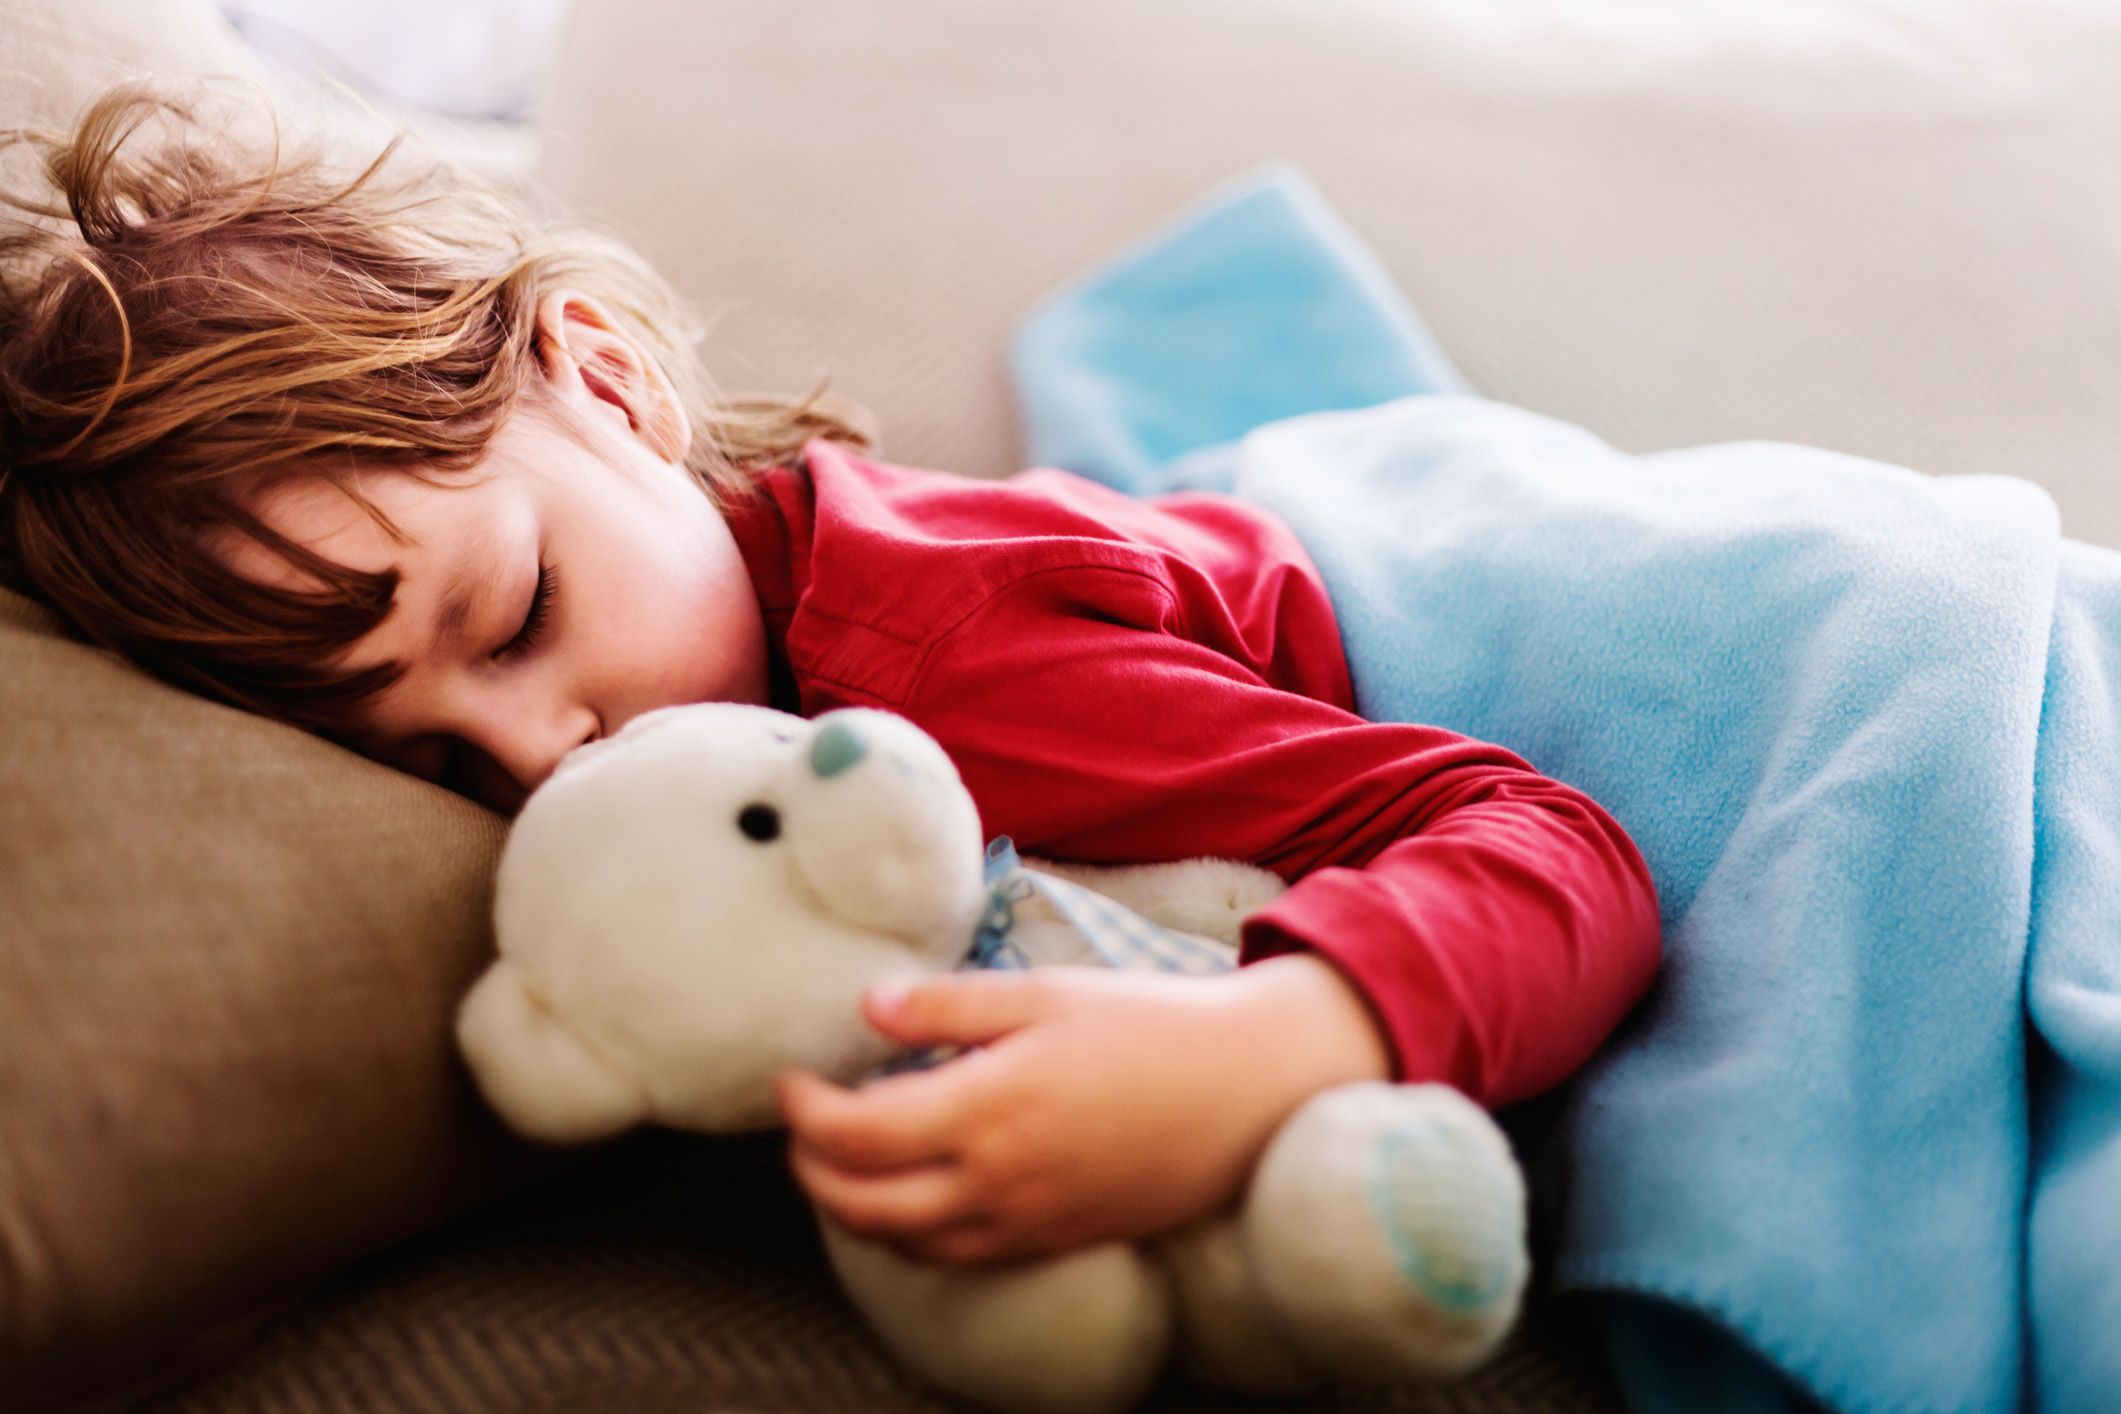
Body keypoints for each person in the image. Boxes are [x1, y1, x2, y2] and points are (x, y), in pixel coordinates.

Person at [0, 84, 1661, 1269]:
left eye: (512, 619)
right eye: (431, 765)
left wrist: (1268, 1047)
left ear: (607, 379)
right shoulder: (737, 699)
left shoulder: (936, 660)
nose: (541, 760)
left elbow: (1547, 845)